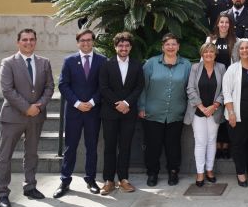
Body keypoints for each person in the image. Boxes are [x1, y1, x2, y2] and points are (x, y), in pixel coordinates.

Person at [0, 29, 54, 207]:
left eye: (32, 39)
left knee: (31, 153)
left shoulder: (44, 63)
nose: (28, 42)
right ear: (18, 42)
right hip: (13, 117)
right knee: (4, 156)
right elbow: (7, 90)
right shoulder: (8, 63)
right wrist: (26, 107)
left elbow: (49, 87)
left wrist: (38, 106)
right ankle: (2, 193)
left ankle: (30, 187)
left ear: (36, 41)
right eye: (25, 40)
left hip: (36, 116)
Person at [55, 29, 107, 198]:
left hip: (93, 111)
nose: (86, 43)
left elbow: (103, 86)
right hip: (74, 112)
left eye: (89, 40)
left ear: (93, 42)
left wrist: (91, 102)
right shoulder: (69, 60)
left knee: (91, 147)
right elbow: (63, 85)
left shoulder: (102, 61)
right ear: (78, 42)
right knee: (70, 147)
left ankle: (90, 180)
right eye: (82, 40)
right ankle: (65, 180)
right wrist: (77, 103)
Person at [138, 33, 190, 187]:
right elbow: (142, 87)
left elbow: (190, 88)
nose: (171, 47)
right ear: (162, 47)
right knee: (153, 146)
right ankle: (152, 173)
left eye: (174, 44)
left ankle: (173, 172)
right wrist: (141, 107)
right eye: (167, 44)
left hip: (176, 113)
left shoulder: (186, 65)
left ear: (178, 47)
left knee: (173, 146)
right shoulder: (151, 64)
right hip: (152, 113)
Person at [98, 32, 144, 196]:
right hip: (110, 112)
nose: (123, 48)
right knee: (109, 147)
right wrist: (117, 104)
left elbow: (139, 87)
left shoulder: (137, 65)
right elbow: (103, 87)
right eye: (120, 45)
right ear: (115, 46)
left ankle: (123, 179)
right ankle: (108, 180)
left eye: (126, 45)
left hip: (128, 112)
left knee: (125, 147)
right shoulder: (106, 64)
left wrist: (127, 103)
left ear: (130, 47)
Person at [223, 39, 248, 187]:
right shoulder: (232, 69)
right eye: (241, 48)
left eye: (247, 48)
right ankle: (241, 173)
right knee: (238, 144)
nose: (244, 50)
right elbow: (226, 93)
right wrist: (231, 113)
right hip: (238, 114)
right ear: (237, 51)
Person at [184, 43, 225, 186]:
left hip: (214, 111)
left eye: (211, 52)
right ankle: (200, 173)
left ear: (215, 54)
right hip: (198, 111)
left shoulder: (221, 68)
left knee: (212, 140)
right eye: (206, 52)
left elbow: (225, 89)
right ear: (202, 54)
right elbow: (190, 89)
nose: (208, 54)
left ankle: (209, 170)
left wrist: (214, 106)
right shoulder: (195, 68)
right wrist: (201, 106)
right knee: (200, 142)